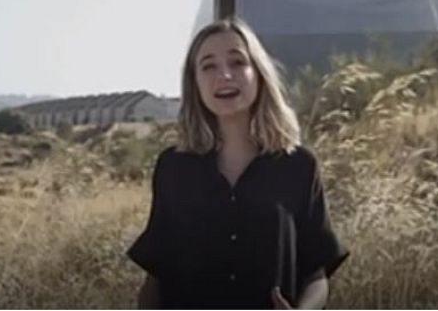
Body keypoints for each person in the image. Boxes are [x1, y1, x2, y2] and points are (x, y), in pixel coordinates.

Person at [126, 17, 349, 309]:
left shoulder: (299, 167)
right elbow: (156, 277)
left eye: (237, 62)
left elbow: (316, 274)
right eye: (208, 66)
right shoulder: (173, 168)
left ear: (258, 73)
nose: (225, 76)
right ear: (195, 83)